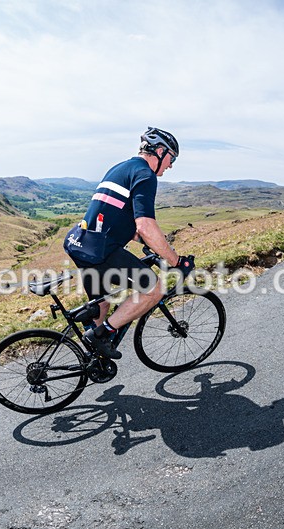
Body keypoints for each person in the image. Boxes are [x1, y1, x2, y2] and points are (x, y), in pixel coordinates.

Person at [63, 127, 194, 359]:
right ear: (160, 151)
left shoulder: (121, 168)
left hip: (80, 243)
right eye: (171, 159)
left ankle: (93, 360)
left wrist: (146, 241)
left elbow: (121, 218)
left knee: (101, 304)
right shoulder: (146, 175)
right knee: (154, 289)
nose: (171, 165)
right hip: (101, 251)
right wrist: (175, 261)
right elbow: (145, 225)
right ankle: (101, 335)